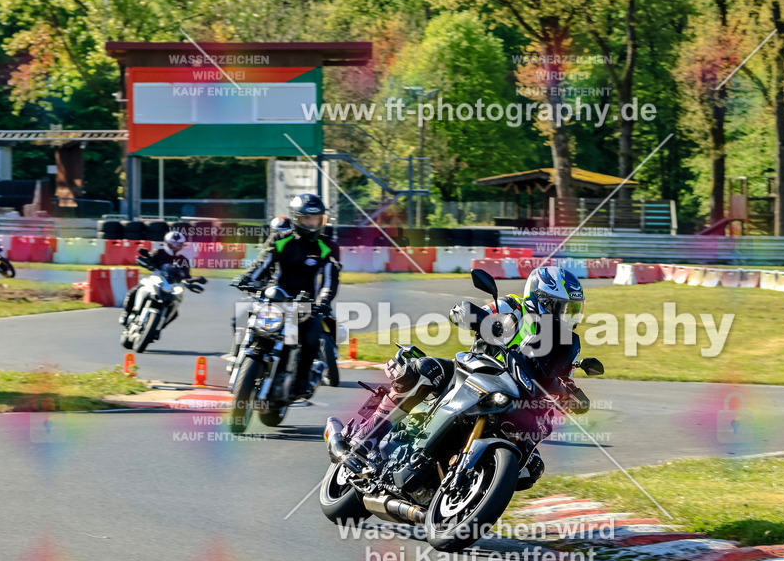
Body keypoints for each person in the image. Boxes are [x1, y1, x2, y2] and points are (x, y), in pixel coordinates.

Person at [350, 266, 590, 489]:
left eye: (573, 310)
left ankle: (472, 488)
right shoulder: (514, 307)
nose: (568, 316)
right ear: (542, 300)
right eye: (563, 307)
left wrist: (571, 393)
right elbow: (467, 313)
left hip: (516, 395)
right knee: (425, 370)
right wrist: (478, 318)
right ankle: (367, 436)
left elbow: (559, 377)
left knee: (531, 468)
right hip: (474, 371)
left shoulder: (564, 343)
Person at [232, 193, 340, 397]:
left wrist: (323, 302)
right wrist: (247, 278)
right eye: (307, 218)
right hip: (275, 299)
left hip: (306, 305)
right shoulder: (281, 239)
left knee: (311, 338)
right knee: (248, 322)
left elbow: (329, 278)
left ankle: (301, 382)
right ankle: (240, 360)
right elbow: (262, 264)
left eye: (316, 219)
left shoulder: (326, 246)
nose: (311, 223)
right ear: (296, 218)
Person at [120, 231, 192, 327]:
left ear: (182, 245)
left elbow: (187, 275)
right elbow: (148, 259)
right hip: (157, 279)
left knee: (175, 312)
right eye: (173, 244)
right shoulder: (159, 252)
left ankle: (158, 328)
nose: (175, 247)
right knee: (134, 291)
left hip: (172, 286)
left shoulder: (184, 260)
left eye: (178, 244)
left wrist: (191, 282)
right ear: (167, 243)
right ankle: (126, 313)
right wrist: (146, 262)